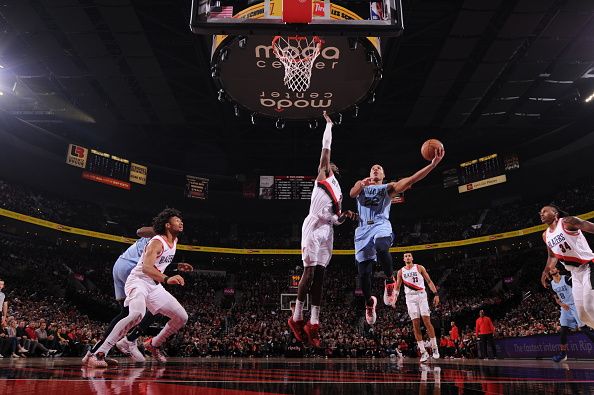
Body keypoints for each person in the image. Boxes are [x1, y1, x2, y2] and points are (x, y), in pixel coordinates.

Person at [350, 147, 444, 325]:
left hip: (381, 225)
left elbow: (413, 178)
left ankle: (389, 281)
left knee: (381, 246)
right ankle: (370, 303)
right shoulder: (360, 186)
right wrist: (361, 184)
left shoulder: (388, 188)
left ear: (383, 175)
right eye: (373, 168)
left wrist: (432, 165)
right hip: (362, 231)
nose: (376, 169)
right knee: (363, 275)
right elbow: (352, 193)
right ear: (369, 174)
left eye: (379, 168)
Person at [87, 208, 188, 368]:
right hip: (138, 280)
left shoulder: (174, 241)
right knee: (136, 314)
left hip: (154, 286)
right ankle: (99, 353)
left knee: (182, 317)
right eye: (177, 220)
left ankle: (153, 344)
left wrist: (175, 268)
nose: (181, 222)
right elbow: (147, 268)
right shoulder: (156, 241)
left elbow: (158, 265)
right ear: (168, 225)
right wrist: (168, 279)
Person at [288, 111, 355, 348]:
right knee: (309, 272)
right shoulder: (324, 175)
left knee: (321, 276)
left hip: (328, 230)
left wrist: (344, 216)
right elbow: (325, 148)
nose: (329, 163)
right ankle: (296, 318)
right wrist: (329, 126)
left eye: (331, 164)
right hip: (313, 226)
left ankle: (313, 323)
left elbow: (335, 219)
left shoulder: (338, 191)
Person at [540, 205, 594, 328]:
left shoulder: (567, 222)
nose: (541, 214)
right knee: (583, 316)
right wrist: (545, 271)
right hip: (574, 274)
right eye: (540, 212)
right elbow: (553, 256)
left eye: (544, 211)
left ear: (555, 213)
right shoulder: (545, 235)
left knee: (590, 307)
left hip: (588, 266)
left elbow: (589, 226)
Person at [394, 252, 440, 362]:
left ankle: (434, 348)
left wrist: (436, 294)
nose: (407, 257)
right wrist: (394, 299)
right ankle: (423, 352)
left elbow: (429, 281)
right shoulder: (401, 272)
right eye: (405, 256)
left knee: (427, 322)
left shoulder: (419, 267)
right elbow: (398, 287)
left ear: (412, 258)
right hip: (410, 298)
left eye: (409, 255)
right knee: (415, 324)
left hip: (422, 295)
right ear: (403, 259)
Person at [549, 266, 594, 362]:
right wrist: (560, 303)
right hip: (565, 308)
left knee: (584, 328)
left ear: (558, 270)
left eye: (554, 268)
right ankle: (563, 354)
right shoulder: (551, 284)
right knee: (563, 330)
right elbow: (555, 297)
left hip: (575, 304)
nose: (552, 269)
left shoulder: (566, 278)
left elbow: (579, 289)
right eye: (550, 269)